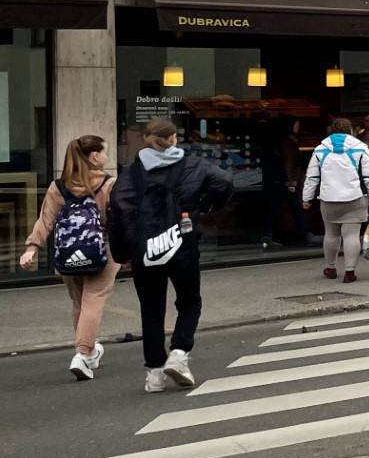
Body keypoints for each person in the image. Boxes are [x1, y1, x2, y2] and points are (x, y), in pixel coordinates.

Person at [109, 119, 232, 393]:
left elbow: (117, 210)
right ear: (174, 139)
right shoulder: (192, 165)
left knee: (151, 309)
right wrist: (205, 206)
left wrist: (121, 251)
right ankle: (179, 353)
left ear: (145, 139)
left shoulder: (131, 173)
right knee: (189, 302)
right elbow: (224, 181)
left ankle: (154, 374)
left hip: (145, 249)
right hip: (182, 244)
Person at [18, 134, 119, 381]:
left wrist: (32, 247)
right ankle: (82, 354)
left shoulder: (58, 186)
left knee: (79, 302)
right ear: (95, 156)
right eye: (104, 152)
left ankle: (91, 351)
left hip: (68, 252)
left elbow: (45, 220)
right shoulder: (108, 184)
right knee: (93, 300)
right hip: (102, 250)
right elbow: (119, 221)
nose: (106, 156)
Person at [302, 118, 369, 282]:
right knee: (351, 236)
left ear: (331, 131)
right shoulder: (361, 148)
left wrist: (306, 198)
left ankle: (330, 268)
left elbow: (312, 177)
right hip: (355, 198)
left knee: (331, 234)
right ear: (351, 131)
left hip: (328, 199)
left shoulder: (320, 150)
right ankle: (349, 272)